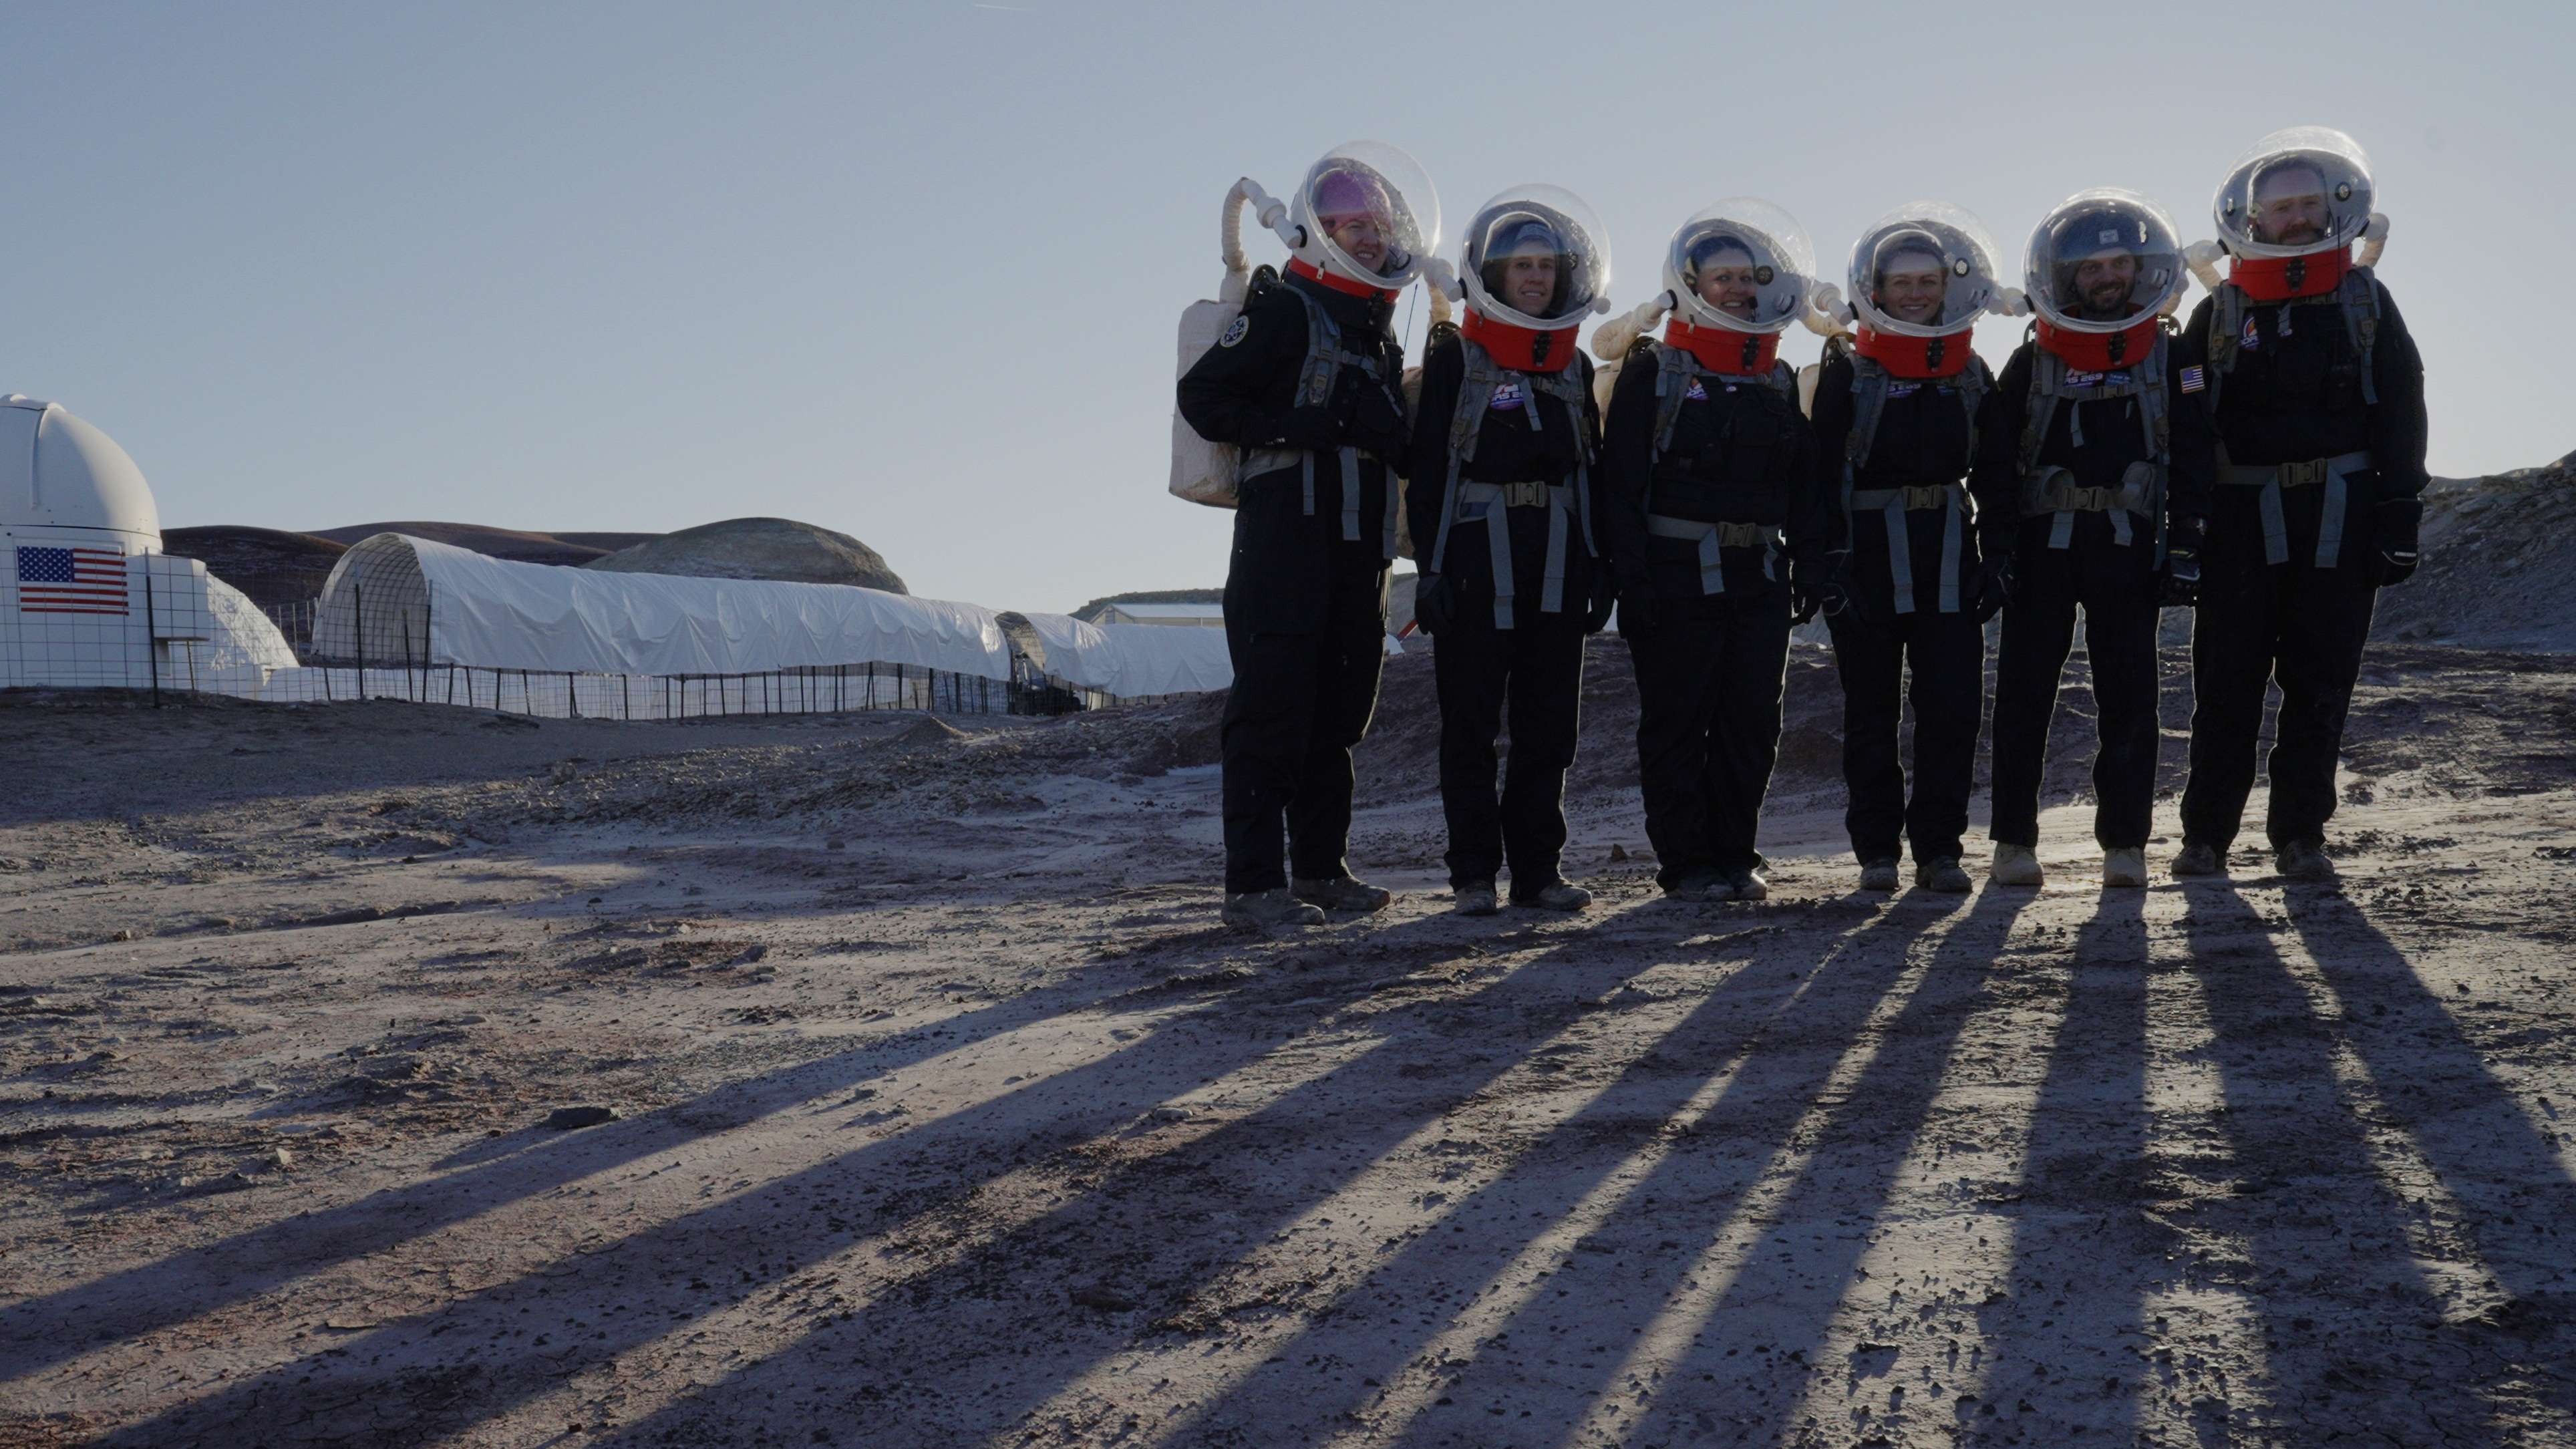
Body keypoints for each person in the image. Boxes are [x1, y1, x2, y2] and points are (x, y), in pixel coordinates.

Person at [1177, 141, 1439, 928]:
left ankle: (1321, 873)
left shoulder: (1375, 331)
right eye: (1349, 223)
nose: (1366, 236)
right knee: (1272, 709)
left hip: (1359, 546)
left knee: (1338, 711)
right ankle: (1253, 887)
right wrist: (1301, 426)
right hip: (1284, 539)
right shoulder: (1287, 308)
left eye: (1376, 224)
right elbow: (1205, 397)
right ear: (1317, 228)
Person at [2175, 128, 2426, 881]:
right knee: (2225, 685)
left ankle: (2300, 836)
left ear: (2335, 207)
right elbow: (2187, 427)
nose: (2295, 220)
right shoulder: (2217, 313)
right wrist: (2185, 530)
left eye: (2307, 204)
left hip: (2340, 518)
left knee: (2319, 684)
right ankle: (2204, 839)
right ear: (2250, 221)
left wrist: (2399, 512)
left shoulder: (2365, 302)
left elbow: (2401, 410)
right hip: (2238, 522)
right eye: (2280, 208)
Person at [1971, 189, 2212, 889]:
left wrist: (2188, 545)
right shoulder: (2031, 362)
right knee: (2022, 697)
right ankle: (2012, 843)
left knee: (2131, 698)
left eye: (2118, 263)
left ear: (2142, 270)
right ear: (2063, 278)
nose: (2106, 277)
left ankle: (2124, 846)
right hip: (2043, 549)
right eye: (2089, 268)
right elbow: (1992, 461)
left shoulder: (2175, 361)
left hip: (2129, 551)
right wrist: (1998, 551)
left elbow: (2196, 453)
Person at [1599, 200, 1832, 903]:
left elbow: (1804, 486)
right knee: (1677, 723)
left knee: (1751, 721)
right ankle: (1686, 864)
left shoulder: (1776, 379)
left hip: (1758, 576)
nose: (1736, 290)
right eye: (1722, 277)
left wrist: (1810, 563)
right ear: (1692, 284)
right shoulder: (1654, 372)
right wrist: (1629, 581)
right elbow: (1619, 486)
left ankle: (1736, 854)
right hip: (1675, 578)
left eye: (1747, 277)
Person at [1408, 187, 1615, 915]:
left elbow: (1591, 471)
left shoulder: (1575, 367)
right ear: (1492, 276)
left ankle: (1538, 873)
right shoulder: (1455, 360)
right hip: (1472, 566)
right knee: (1470, 723)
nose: (1534, 279)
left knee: (1548, 725)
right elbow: (1428, 471)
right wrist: (1426, 572)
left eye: (1545, 267)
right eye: (1520, 266)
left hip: (1558, 565)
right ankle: (1472, 875)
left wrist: (1600, 569)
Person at [1809, 204, 2011, 894]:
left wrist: (1998, 556)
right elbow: (1819, 472)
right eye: (1902, 284)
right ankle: (1875, 852)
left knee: (1951, 709)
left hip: (1949, 558)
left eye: (1927, 281)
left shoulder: (1970, 370)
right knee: (1870, 712)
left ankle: (1939, 851)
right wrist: (1826, 565)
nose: (1916, 294)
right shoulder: (1849, 369)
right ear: (1876, 289)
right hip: (1864, 561)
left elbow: (1995, 472)